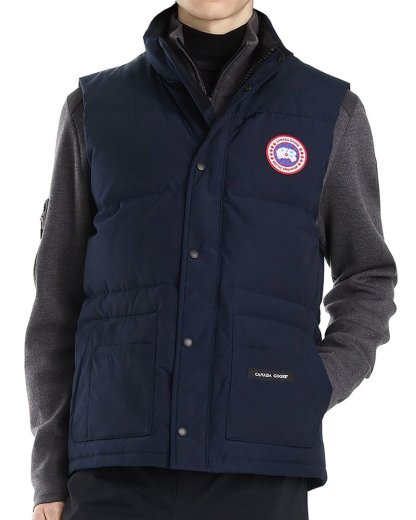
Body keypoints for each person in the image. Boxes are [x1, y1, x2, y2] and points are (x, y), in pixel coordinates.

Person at [25, 1, 398, 519]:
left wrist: (316, 382)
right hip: (115, 459)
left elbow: (368, 274)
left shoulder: (328, 111)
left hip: (261, 456)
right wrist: (48, 469)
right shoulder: (94, 108)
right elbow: (56, 299)